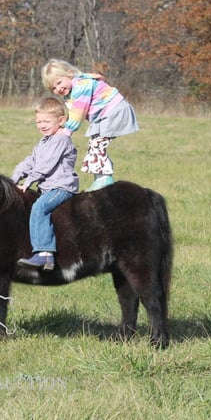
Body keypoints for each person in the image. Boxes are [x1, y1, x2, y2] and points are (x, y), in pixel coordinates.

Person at [41, 58, 139, 191]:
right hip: (105, 115)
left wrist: (67, 132)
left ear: (69, 74)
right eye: (53, 88)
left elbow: (78, 113)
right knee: (94, 145)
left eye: (59, 82)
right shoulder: (72, 91)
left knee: (97, 145)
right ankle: (100, 178)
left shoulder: (81, 87)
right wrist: (62, 127)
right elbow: (72, 113)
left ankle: (105, 179)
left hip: (113, 112)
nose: (58, 88)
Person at [12, 97, 79, 271]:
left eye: (46, 121)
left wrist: (28, 182)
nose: (42, 125)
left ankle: (44, 254)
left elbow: (45, 166)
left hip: (61, 187)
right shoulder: (44, 142)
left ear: (61, 120)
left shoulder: (61, 141)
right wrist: (14, 179)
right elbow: (30, 161)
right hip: (47, 188)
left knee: (39, 208)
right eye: (38, 121)